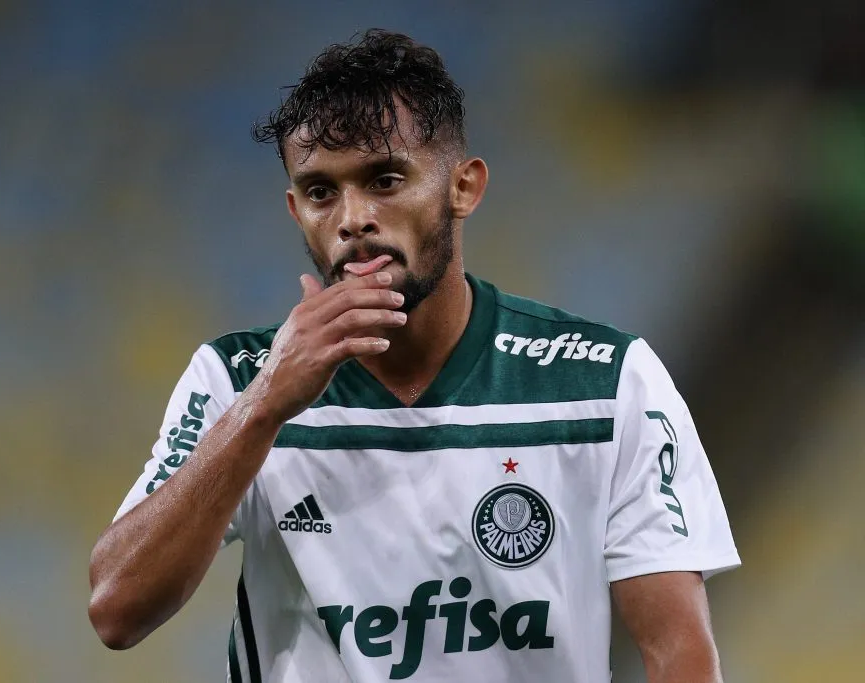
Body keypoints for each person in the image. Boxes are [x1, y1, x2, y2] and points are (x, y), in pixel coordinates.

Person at [88, 29, 740, 683]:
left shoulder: (606, 381)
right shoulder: (234, 378)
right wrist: (263, 405)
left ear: (464, 186)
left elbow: (679, 653)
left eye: (385, 178)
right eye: (321, 193)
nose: (353, 218)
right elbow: (117, 608)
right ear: (295, 210)